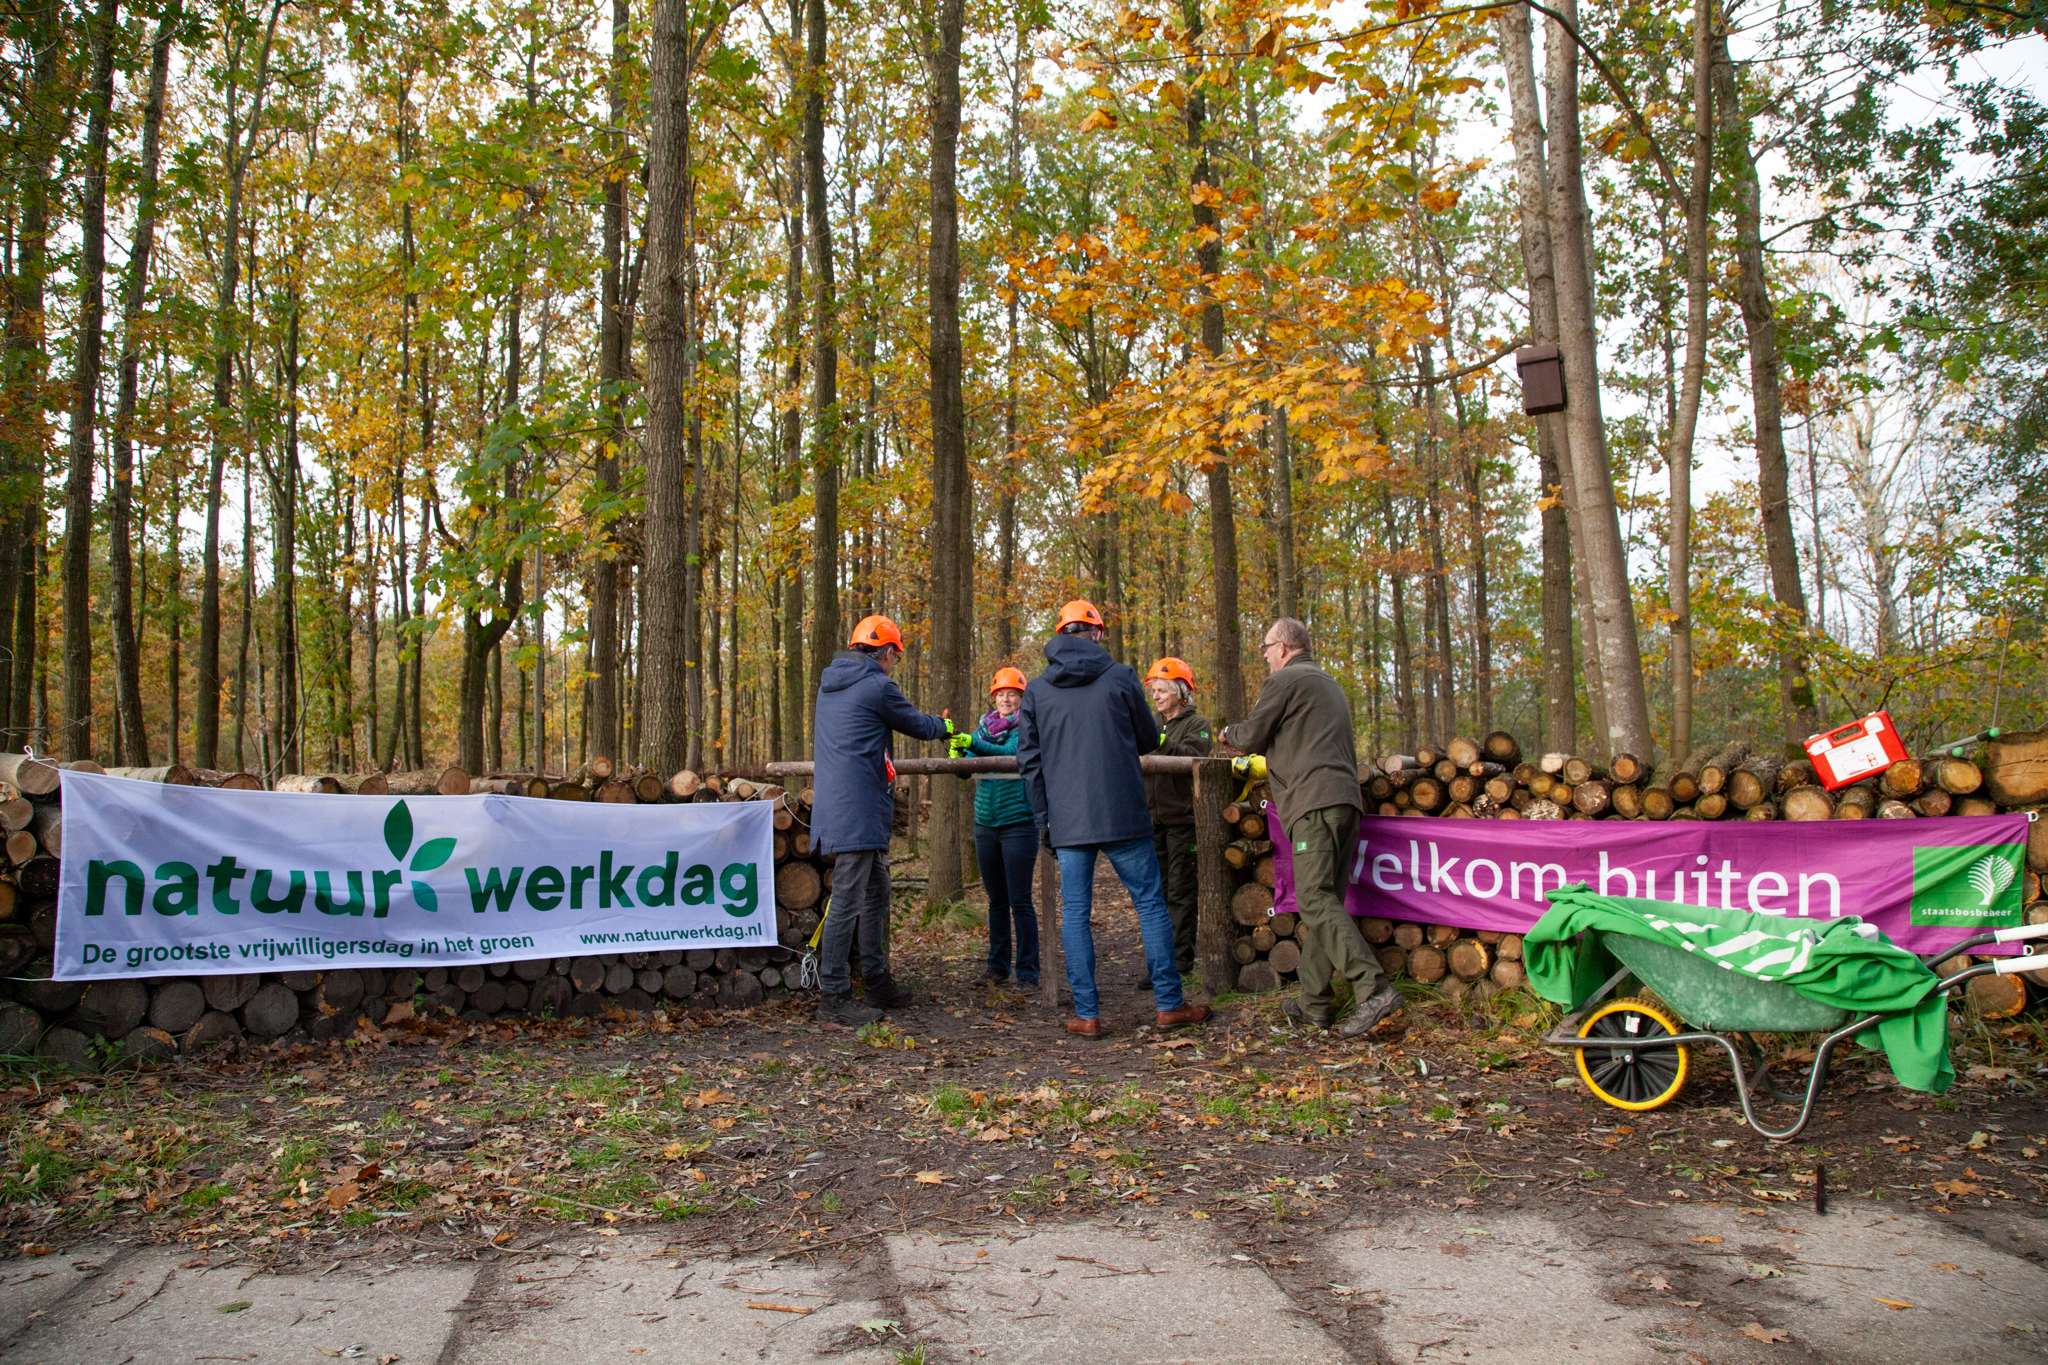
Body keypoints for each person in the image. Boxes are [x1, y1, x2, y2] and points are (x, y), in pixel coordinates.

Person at [1017, 599, 1209, 1037]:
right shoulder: (1119, 677)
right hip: (1123, 811)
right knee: (1150, 905)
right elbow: (1148, 737)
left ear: (1060, 635)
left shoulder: (1038, 691)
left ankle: (1088, 1015)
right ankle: (1168, 1005)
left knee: (1075, 913)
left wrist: (1043, 819)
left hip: (1068, 819)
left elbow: (1030, 761)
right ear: (1097, 634)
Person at [1222, 617, 1403, 1038]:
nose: (1265, 655)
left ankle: (1374, 989)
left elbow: (1250, 735)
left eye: (1266, 647)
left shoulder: (1285, 681)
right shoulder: (1326, 682)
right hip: (1344, 803)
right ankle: (1313, 1003)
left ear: (1283, 647)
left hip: (1314, 804)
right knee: (1327, 902)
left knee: (1315, 900)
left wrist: (1229, 733)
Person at [811, 614, 958, 1026]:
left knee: (877, 890)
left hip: (842, 805)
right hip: (857, 809)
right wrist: (944, 726)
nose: (895, 664)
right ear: (887, 653)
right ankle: (834, 996)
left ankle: (876, 980)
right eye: (896, 657)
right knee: (847, 901)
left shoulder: (830, 685)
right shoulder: (877, 685)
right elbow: (913, 722)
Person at [1140, 657, 1212, 986]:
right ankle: (1160, 965)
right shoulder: (1150, 726)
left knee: (1181, 894)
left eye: (1162, 690)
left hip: (1182, 821)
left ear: (1180, 692)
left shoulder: (1199, 725)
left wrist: (1160, 742)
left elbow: (1192, 756)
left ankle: (1181, 964)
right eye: (1153, 690)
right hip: (1151, 821)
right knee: (1156, 895)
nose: (1155, 696)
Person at [966, 667, 1039, 987]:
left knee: (1020, 900)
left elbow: (1007, 755)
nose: (1006, 698)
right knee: (996, 900)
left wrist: (972, 745)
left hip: (1019, 824)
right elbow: (963, 771)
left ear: (1021, 698)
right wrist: (957, 750)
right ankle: (997, 966)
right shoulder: (983, 729)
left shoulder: (1027, 727)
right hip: (985, 824)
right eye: (1000, 693)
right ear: (993, 698)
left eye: (1012, 694)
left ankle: (1027, 971)